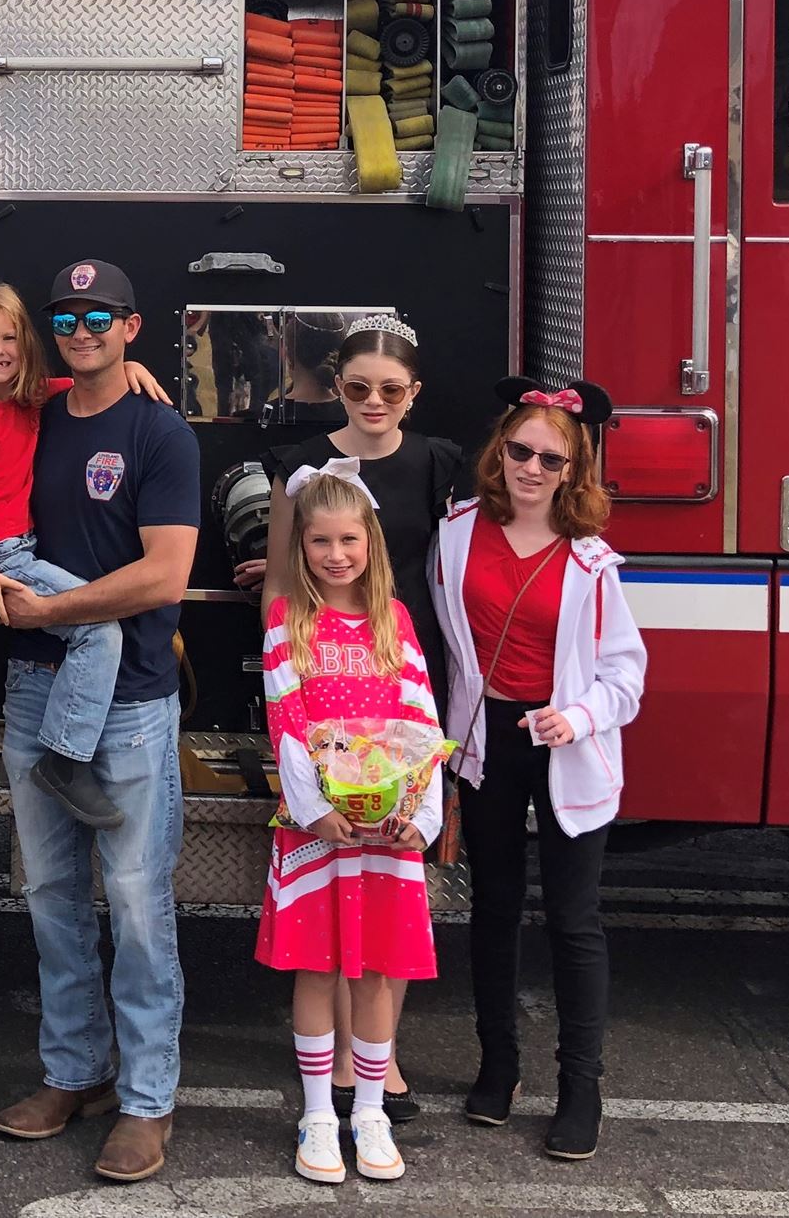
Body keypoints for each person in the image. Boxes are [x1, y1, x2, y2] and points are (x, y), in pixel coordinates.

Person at [0, 259, 201, 1187]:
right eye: (66, 315)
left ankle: (148, 1100)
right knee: (51, 902)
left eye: (98, 315)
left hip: (132, 703)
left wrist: (46, 614)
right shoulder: (23, 422)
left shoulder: (161, 433)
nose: (81, 328)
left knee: (138, 905)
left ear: (132, 324)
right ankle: (75, 1074)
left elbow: (163, 577)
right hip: (33, 697)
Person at [252, 313, 465, 1124]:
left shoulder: (438, 463)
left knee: (385, 880)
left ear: (412, 395)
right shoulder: (299, 466)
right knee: (335, 876)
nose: (372, 401)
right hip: (317, 670)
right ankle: (335, 1062)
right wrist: (287, 665)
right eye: (356, 386)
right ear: (336, 383)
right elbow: (281, 576)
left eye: (390, 389)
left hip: (397, 662)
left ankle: (380, 1061)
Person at [432, 377, 645, 1163]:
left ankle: (580, 1088)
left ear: (572, 470)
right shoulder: (456, 533)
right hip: (485, 742)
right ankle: (499, 1066)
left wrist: (578, 715)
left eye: (550, 459)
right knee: (491, 907)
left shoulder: (592, 562)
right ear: (500, 451)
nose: (530, 467)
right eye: (519, 450)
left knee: (573, 921)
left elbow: (626, 676)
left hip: (565, 747)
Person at [255, 464, 444, 1187]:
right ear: (300, 547)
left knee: (378, 970)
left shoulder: (394, 619)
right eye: (320, 542)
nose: (337, 555)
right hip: (318, 830)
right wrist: (320, 810)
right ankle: (316, 1113)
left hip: (387, 830)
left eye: (349, 540)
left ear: (371, 542)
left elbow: (419, 718)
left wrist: (416, 814)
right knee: (318, 966)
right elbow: (287, 721)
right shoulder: (287, 622)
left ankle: (369, 1109)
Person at [0, 284, 171, 829]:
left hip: (16, 549)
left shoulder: (27, 400)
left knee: (92, 629)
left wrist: (131, 368)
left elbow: (91, 384)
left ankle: (65, 754)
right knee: (100, 629)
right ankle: (65, 760)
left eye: (9, 337)